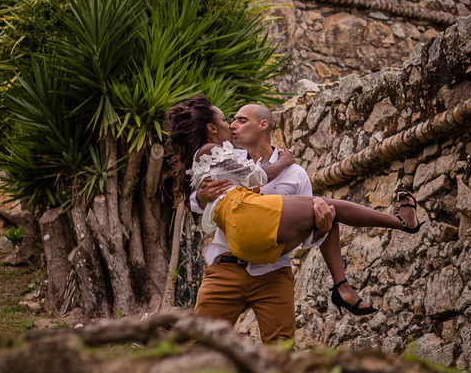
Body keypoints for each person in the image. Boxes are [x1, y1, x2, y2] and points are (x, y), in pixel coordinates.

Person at [165, 96, 420, 343]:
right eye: (228, 120)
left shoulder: (296, 174)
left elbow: (306, 238)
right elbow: (199, 199)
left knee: (325, 214)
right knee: (201, 347)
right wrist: (199, 196)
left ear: (263, 124)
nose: (232, 125)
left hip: (272, 271)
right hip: (227, 267)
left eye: (241, 120)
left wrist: (320, 230)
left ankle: (343, 284)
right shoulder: (228, 158)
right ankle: (393, 229)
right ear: (211, 127)